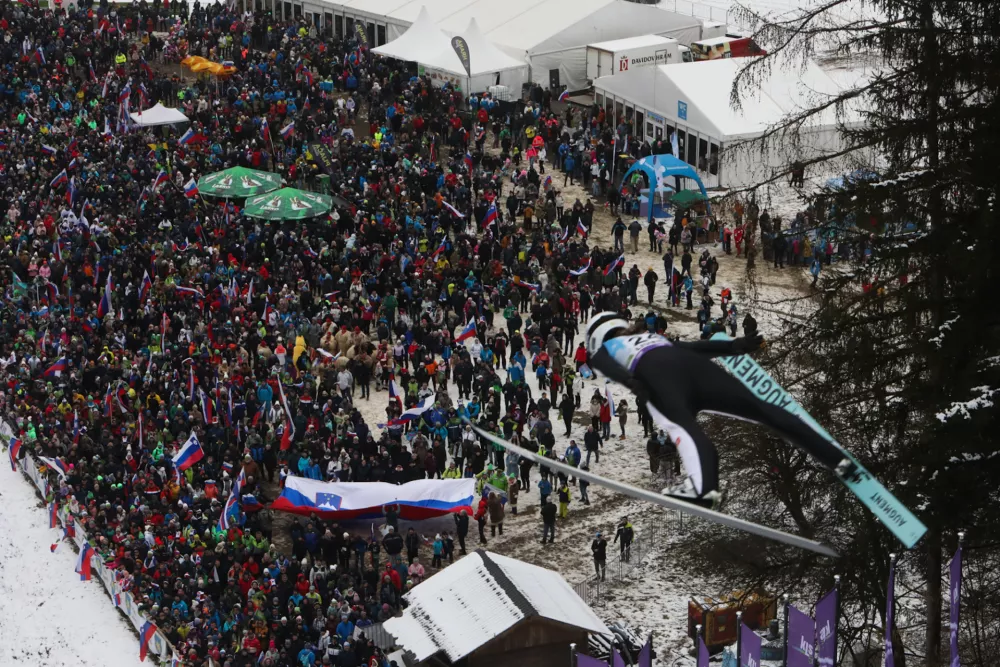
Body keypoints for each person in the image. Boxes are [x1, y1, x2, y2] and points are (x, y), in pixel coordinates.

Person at [583, 312, 857, 506]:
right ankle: (836, 458)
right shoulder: (653, 337)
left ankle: (705, 488)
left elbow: (604, 363)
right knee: (761, 408)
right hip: (696, 369)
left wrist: (631, 381)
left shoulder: (607, 347)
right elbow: (697, 348)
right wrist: (737, 346)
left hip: (660, 377)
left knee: (685, 428)